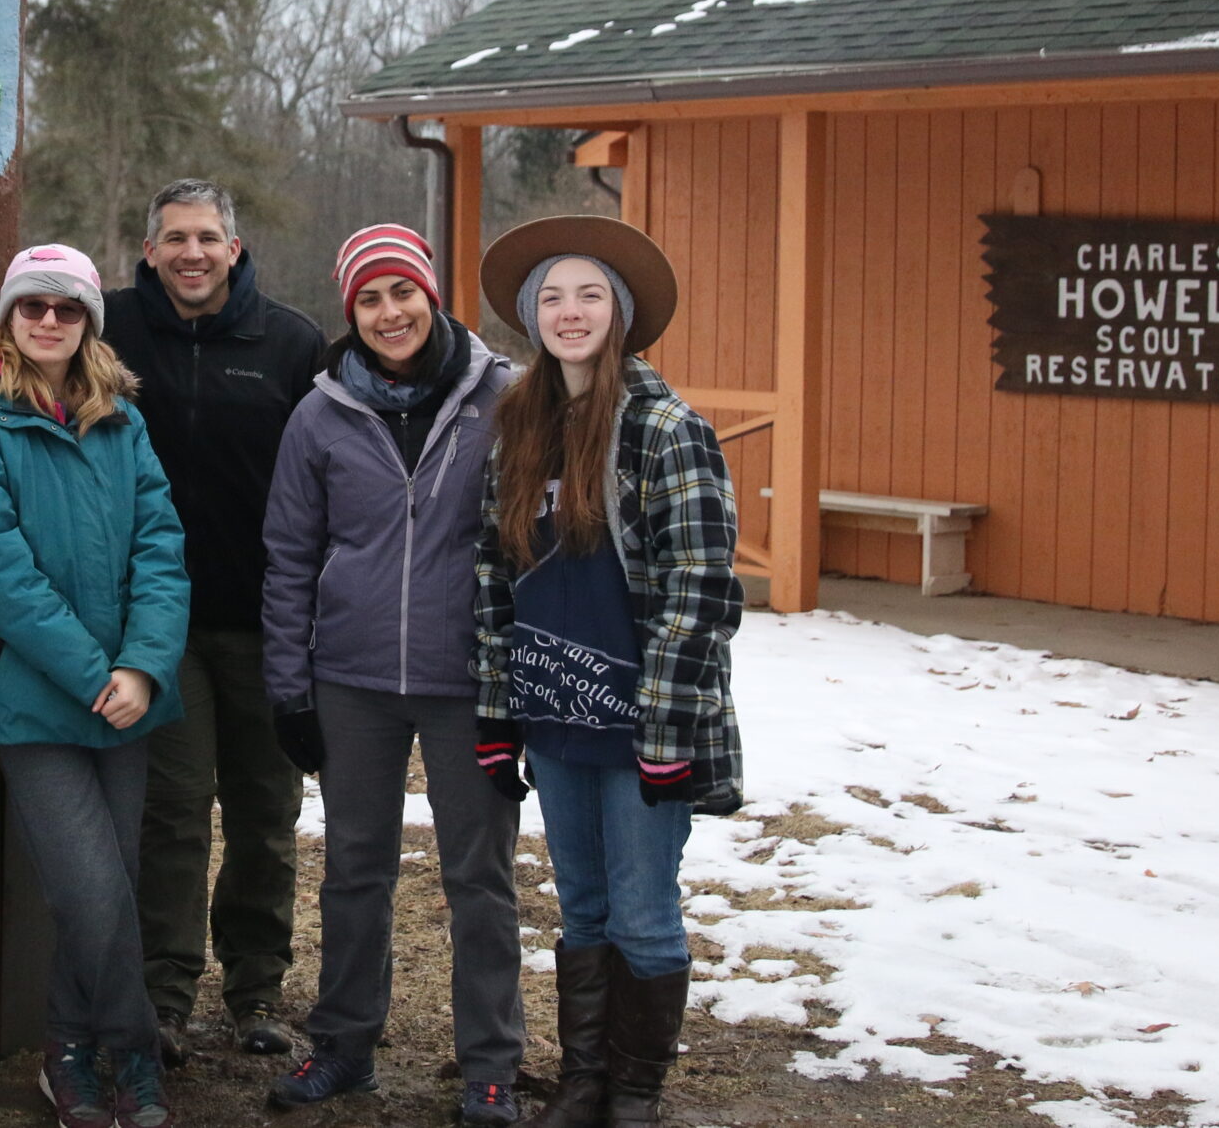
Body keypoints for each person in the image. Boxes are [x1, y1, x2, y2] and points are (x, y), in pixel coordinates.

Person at [470, 219, 742, 1128]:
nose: (569, 311)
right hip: (556, 718)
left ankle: (635, 1091)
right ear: (531, 317)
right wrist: (497, 715)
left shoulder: (667, 430)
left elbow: (702, 589)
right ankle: (583, 1078)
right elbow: (492, 578)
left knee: (642, 911)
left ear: (619, 313)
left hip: (640, 726)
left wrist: (665, 733)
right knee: (581, 907)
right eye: (552, 296)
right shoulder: (519, 429)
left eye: (588, 294)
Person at [259, 226, 522, 1128]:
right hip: (353, 676)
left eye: (401, 292)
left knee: (477, 876)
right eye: (369, 299)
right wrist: (290, 685)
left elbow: (535, 545)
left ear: (432, 295)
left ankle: (491, 1062)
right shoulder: (320, 412)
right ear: (351, 313)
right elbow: (290, 555)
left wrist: (523, 684)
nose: (389, 312)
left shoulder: (504, 400)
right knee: (354, 867)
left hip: (470, 681)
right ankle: (343, 1043)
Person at [0, 246, 190, 1128]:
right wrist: (94, 674)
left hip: (128, 696)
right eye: (32, 306)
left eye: (67, 308)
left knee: (111, 888)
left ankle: (70, 1050)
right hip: (37, 703)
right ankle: (134, 1047)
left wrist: (142, 665)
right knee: (89, 886)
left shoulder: (123, 421)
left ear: (89, 322)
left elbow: (162, 550)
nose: (49, 320)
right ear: (8, 318)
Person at [101, 180, 323, 1064]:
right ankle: (165, 992)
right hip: (161, 620)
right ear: (149, 250)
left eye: (206, 237)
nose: (191, 252)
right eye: (173, 238)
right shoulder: (112, 328)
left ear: (235, 247)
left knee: (266, 808)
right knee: (176, 808)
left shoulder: (291, 341)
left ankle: (257, 986)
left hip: (267, 617)